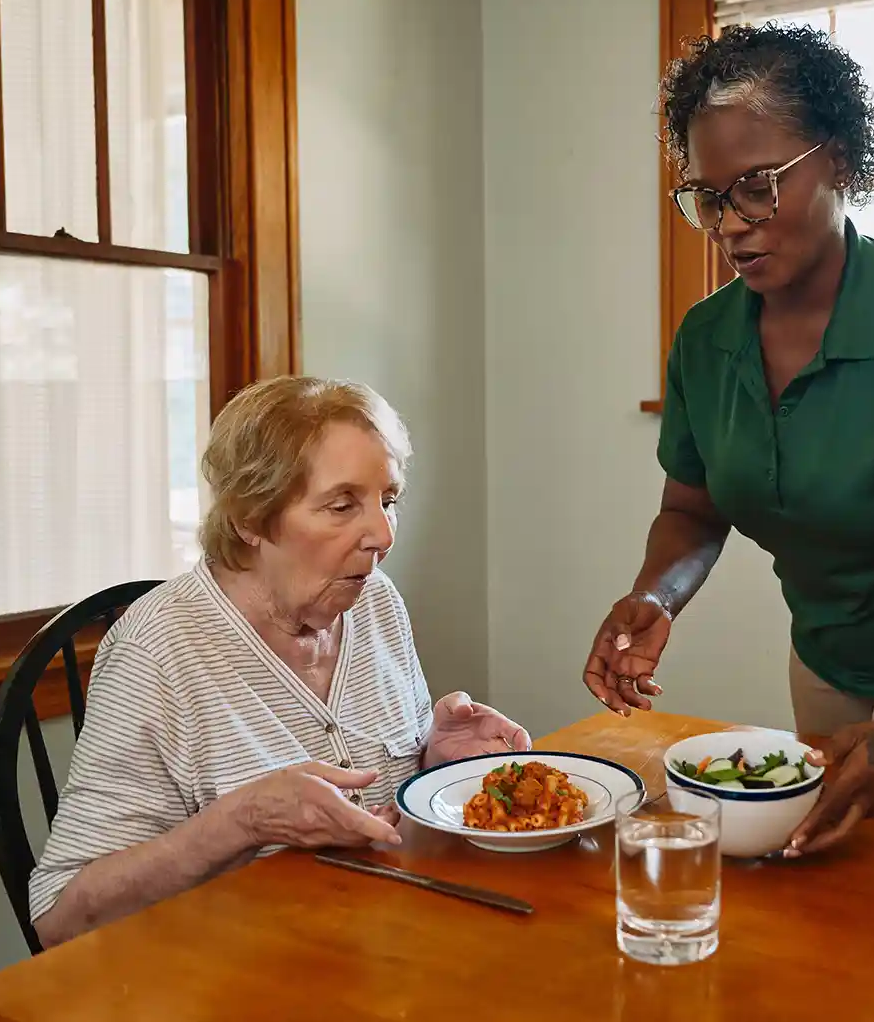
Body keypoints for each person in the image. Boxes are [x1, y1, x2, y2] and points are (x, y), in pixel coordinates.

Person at [582, 23, 874, 858]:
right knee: (831, 888)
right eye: (710, 197)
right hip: (828, 660)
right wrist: (656, 596)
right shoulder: (706, 341)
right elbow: (693, 511)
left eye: (758, 187)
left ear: (837, 161)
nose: (732, 224)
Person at [29, 376, 527, 947]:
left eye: (388, 501)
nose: (383, 534)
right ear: (250, 518)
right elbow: (59, 920)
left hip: (382, 942)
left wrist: (435, 761)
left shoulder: (376, 602)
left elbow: (385, 812)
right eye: (342, 505)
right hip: (237, 969)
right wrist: (242, 822)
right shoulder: (158, 652)